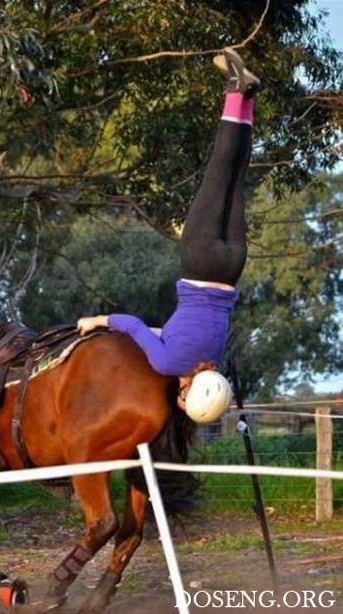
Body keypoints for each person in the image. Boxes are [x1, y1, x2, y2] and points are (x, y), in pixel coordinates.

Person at [77, 48, 259, 422]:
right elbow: (132, 325)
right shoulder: (165, 364)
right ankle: (235, 90)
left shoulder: (212, 355)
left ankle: (247, 98)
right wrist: (96, 322)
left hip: (232, 265)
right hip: (201, 261)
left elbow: (171, 331)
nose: (178, 398)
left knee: (237, 176)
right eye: (182, 400)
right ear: (190, 391)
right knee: (217, 172)